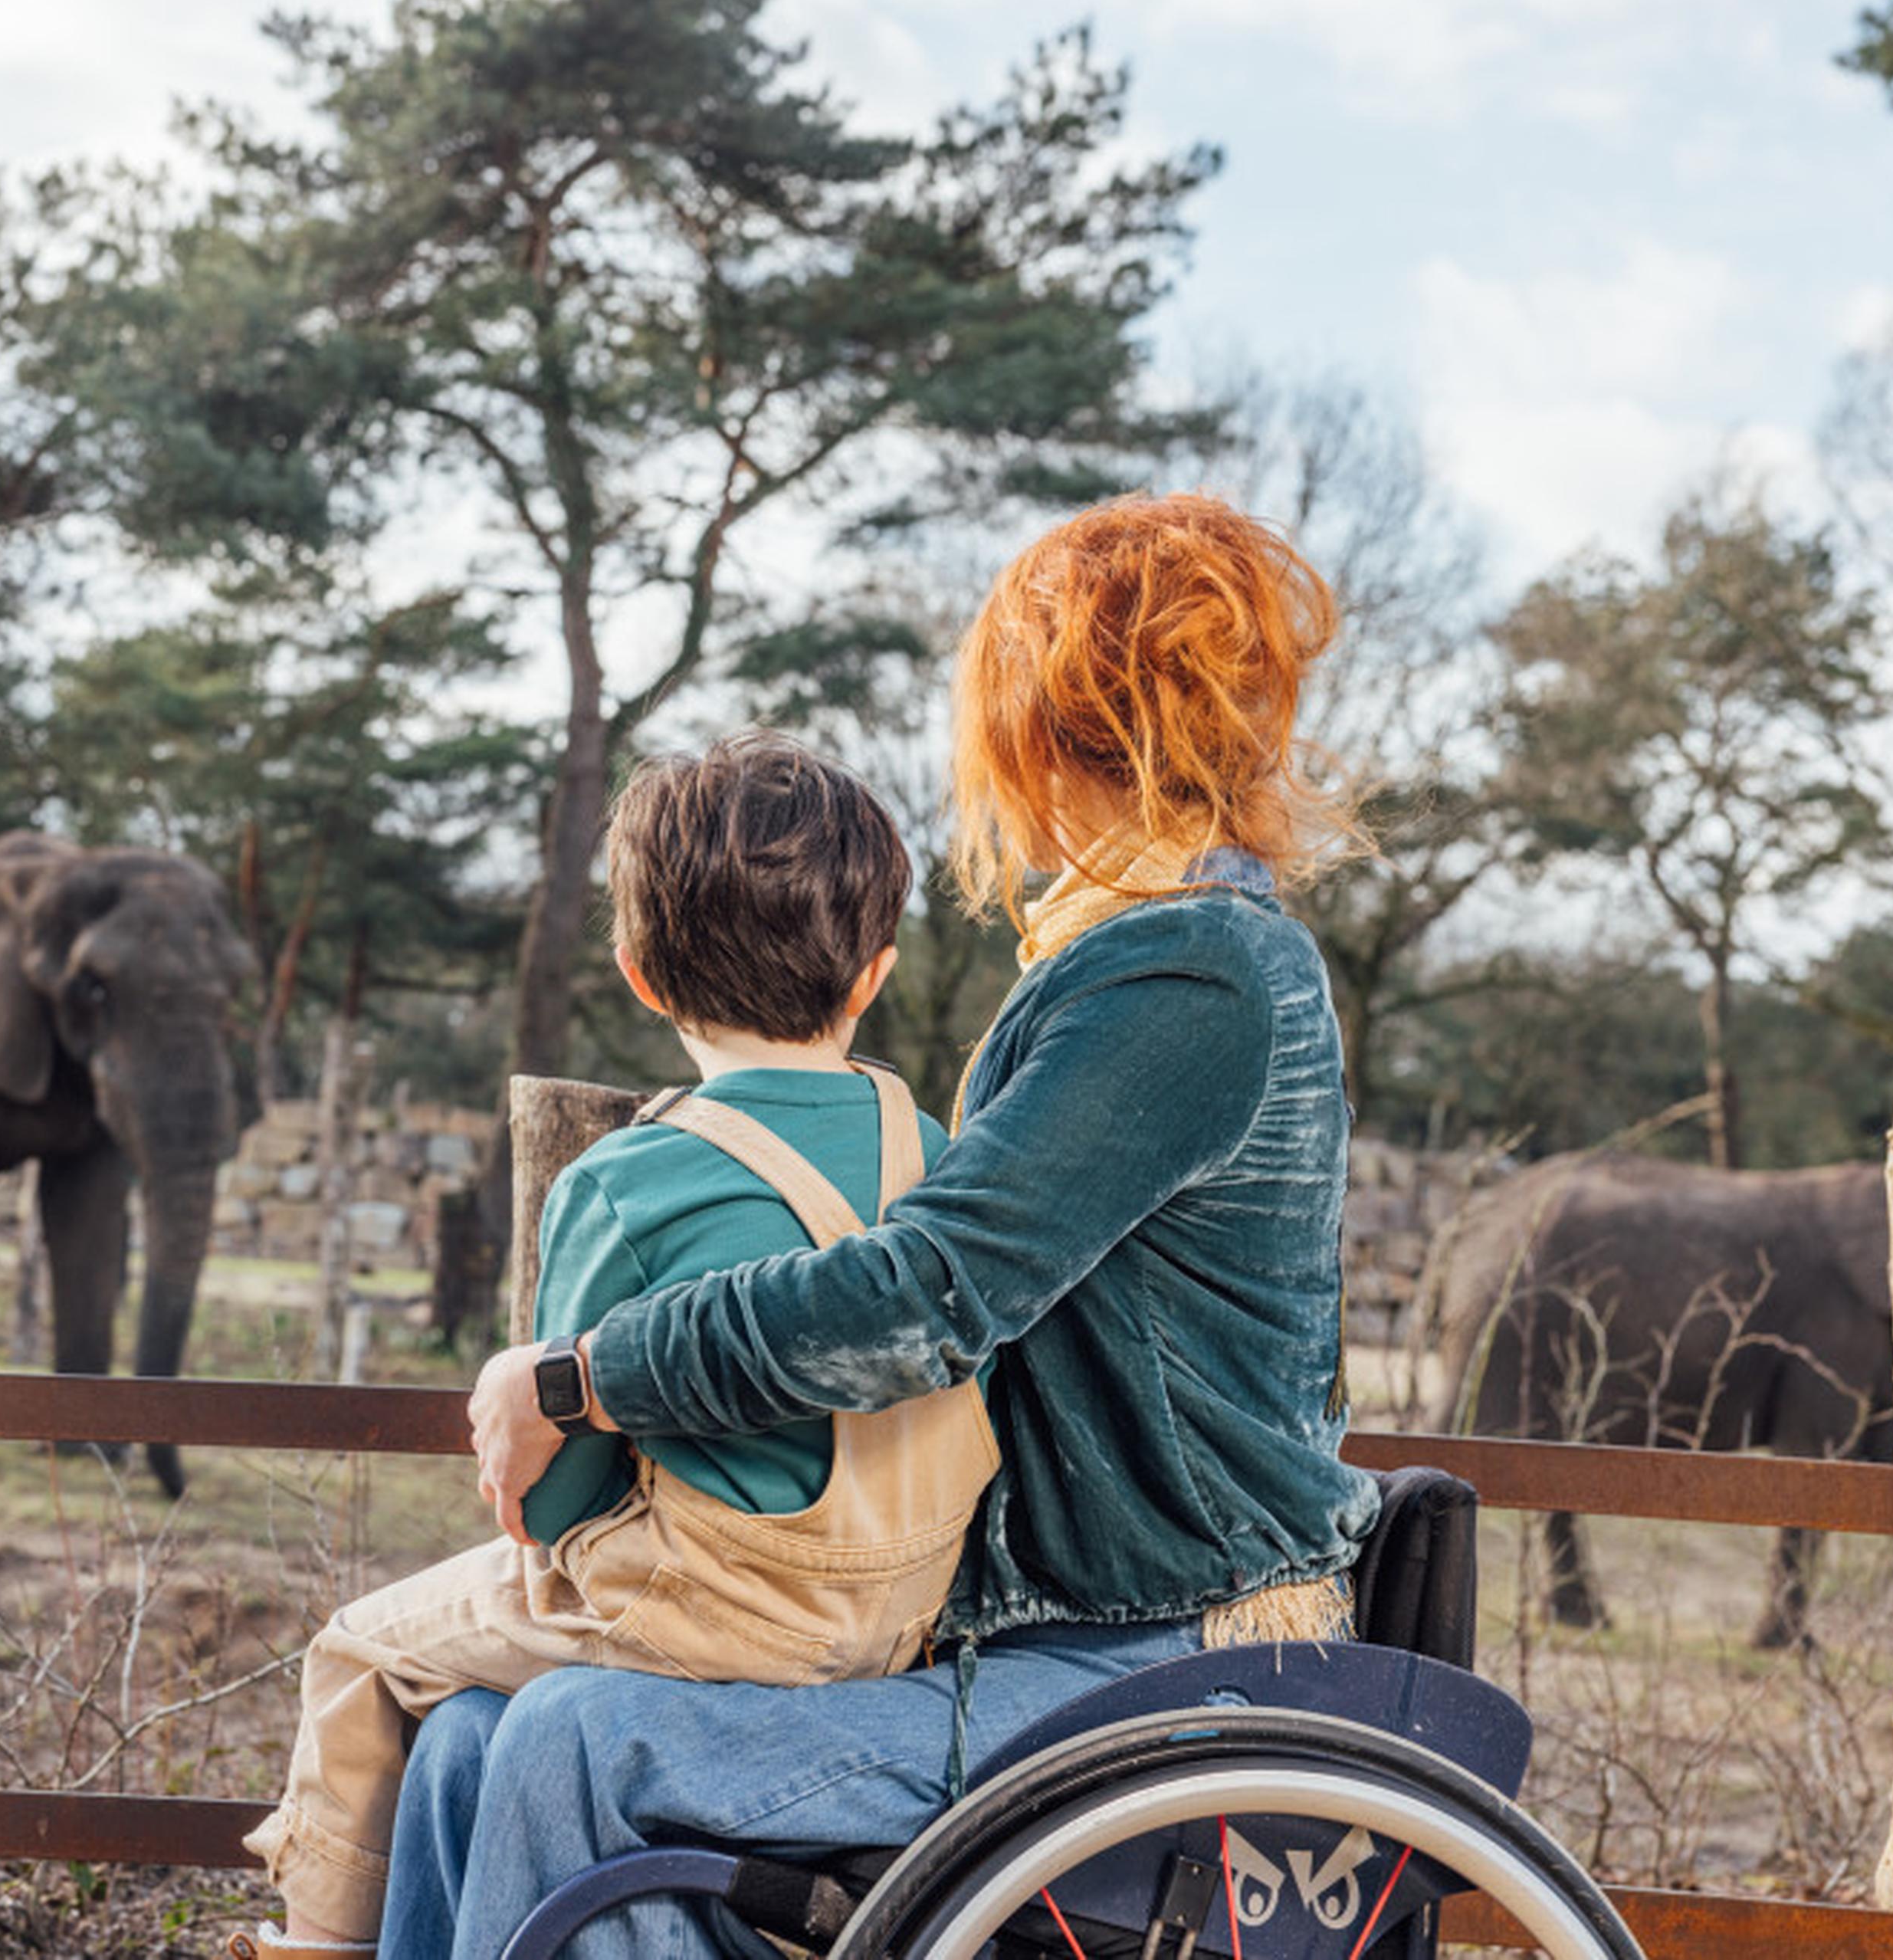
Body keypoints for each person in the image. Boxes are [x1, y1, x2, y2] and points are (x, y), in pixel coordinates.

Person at [412, 492, 1384, 1959]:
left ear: (1042, 729)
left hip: (1162, 1659)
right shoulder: (1150, 959)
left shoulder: (1188, 981)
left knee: (573, 1744)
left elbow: (922, 1297)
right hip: (1062, 1640)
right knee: (469, 1743)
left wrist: (582, 1372)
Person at [232, 733, 990, 1960]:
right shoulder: (939, 1153)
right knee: (472, 1723)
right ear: (876, 974)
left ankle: (310, 1949)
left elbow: (556, 1502)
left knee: (361, 1650)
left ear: (639, 975)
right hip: (895, 1615)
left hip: (703, 1618)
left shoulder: (632, 1180)